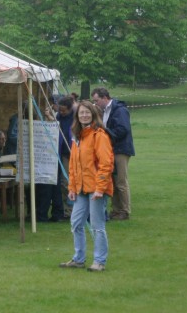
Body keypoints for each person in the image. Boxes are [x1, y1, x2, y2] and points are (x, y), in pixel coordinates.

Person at [59, 100, 114, 272]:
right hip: (81, 189)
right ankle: (79, 259)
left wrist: (100, 188)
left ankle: (99, 261)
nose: (84, 115)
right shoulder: (78, 136)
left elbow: (106, 164)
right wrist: (72, 188)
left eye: (87, 112)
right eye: (81, 113)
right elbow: (74, 166)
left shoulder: (99, 135)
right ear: (77, 116)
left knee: (98, 226)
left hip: (96, 189)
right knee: (76, 223)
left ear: (93, 114)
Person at [91, 87, 135, 220]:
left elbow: (123, 130)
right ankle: (116, 210)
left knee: (121, 181)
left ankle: (125, 210)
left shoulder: (120, 110)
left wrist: (106, 132)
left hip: (121, 149)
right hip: (112, 149)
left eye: (96, 101)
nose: (95, 104)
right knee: (114, 181)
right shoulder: (104, 111)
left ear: (105, 98)